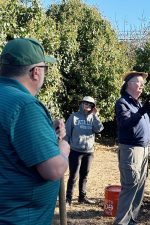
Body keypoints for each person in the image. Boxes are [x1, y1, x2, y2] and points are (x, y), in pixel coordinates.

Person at [0, 38, 70, 224]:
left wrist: (47, 134)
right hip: (18, 218)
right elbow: (53, 169)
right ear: (36, 72)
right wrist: (63, 147)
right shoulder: (24, 105)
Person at [114, 71, 150, 225]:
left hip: (144, 151)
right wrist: (142, 111)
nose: (142, 85)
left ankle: (132, 221)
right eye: (138, 82)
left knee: (139, 188)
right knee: (130, 187)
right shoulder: (122, 103)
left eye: (142, 82)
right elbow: (125, 124)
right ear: (129, 84)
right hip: (131, 151)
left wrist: (142, 110)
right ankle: (121, 223)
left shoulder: (137, 104)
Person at [65, 96, 104, 205]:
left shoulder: (93, 117)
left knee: (84, 175)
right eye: (85, 103)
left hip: (89, 152)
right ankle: (68, 198)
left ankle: (82, 197)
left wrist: (96, 115)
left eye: (90, 104)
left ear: (93, 107)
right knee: (73, 175)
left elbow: (99, 129)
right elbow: (67, 133)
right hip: (75, 151)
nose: (87, 106)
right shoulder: (74, 117)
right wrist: (66, 147)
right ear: (82, 104)